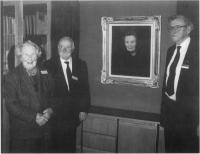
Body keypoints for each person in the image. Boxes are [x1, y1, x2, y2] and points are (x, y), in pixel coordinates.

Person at [4, 41, 54, 153]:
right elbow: (11, 105)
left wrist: (51, 110)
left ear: (38, 55)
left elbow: (54, 96)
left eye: (33, 54)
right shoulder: (11, 76)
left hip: (44, 132)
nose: (30, 58)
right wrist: (34, 116)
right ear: (20, 56)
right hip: (23, 135)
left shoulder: (46, 73)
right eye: (26, 55)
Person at [44, 36, 90, 152]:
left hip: (73, 115)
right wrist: (48, 108)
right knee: (55, 147)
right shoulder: (48, 65)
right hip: (55, 115)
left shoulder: (81, 64)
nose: (64, 50)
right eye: (61, 47)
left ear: (73, 48)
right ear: (57, 47)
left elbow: (85, 88)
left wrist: (84, 109)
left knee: (69, 147)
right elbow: (44, 91)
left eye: (68, 47)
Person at [160, 15, 199, 152]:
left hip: (189, 118)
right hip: (170, 115)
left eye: (178, 27)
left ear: (188, 29)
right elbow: (166, 84)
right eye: (171, 27)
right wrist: (163, 116)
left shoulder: (197, 51)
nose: (173, 31)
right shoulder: (170, 51)